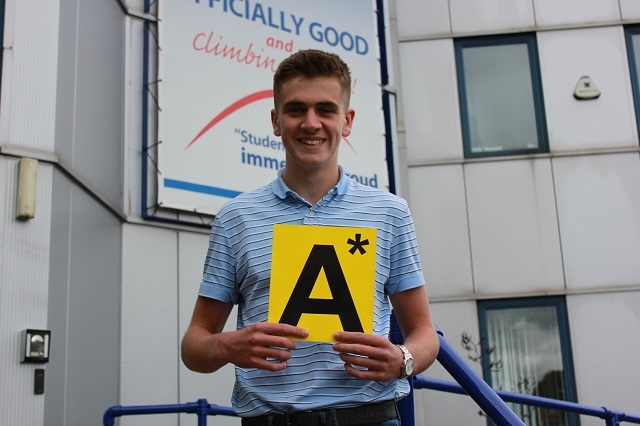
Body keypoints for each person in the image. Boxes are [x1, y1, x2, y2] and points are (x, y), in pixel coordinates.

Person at [181, 49, 439, 426]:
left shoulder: (390, 213)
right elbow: (194, 346)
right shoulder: (236, 218)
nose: (311, 123)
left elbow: (423, 332)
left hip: (370, 418)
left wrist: (403, 360)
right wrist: (226, 345)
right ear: (276, 120)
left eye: (326, 110)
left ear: (347, 121)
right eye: (296, 109)